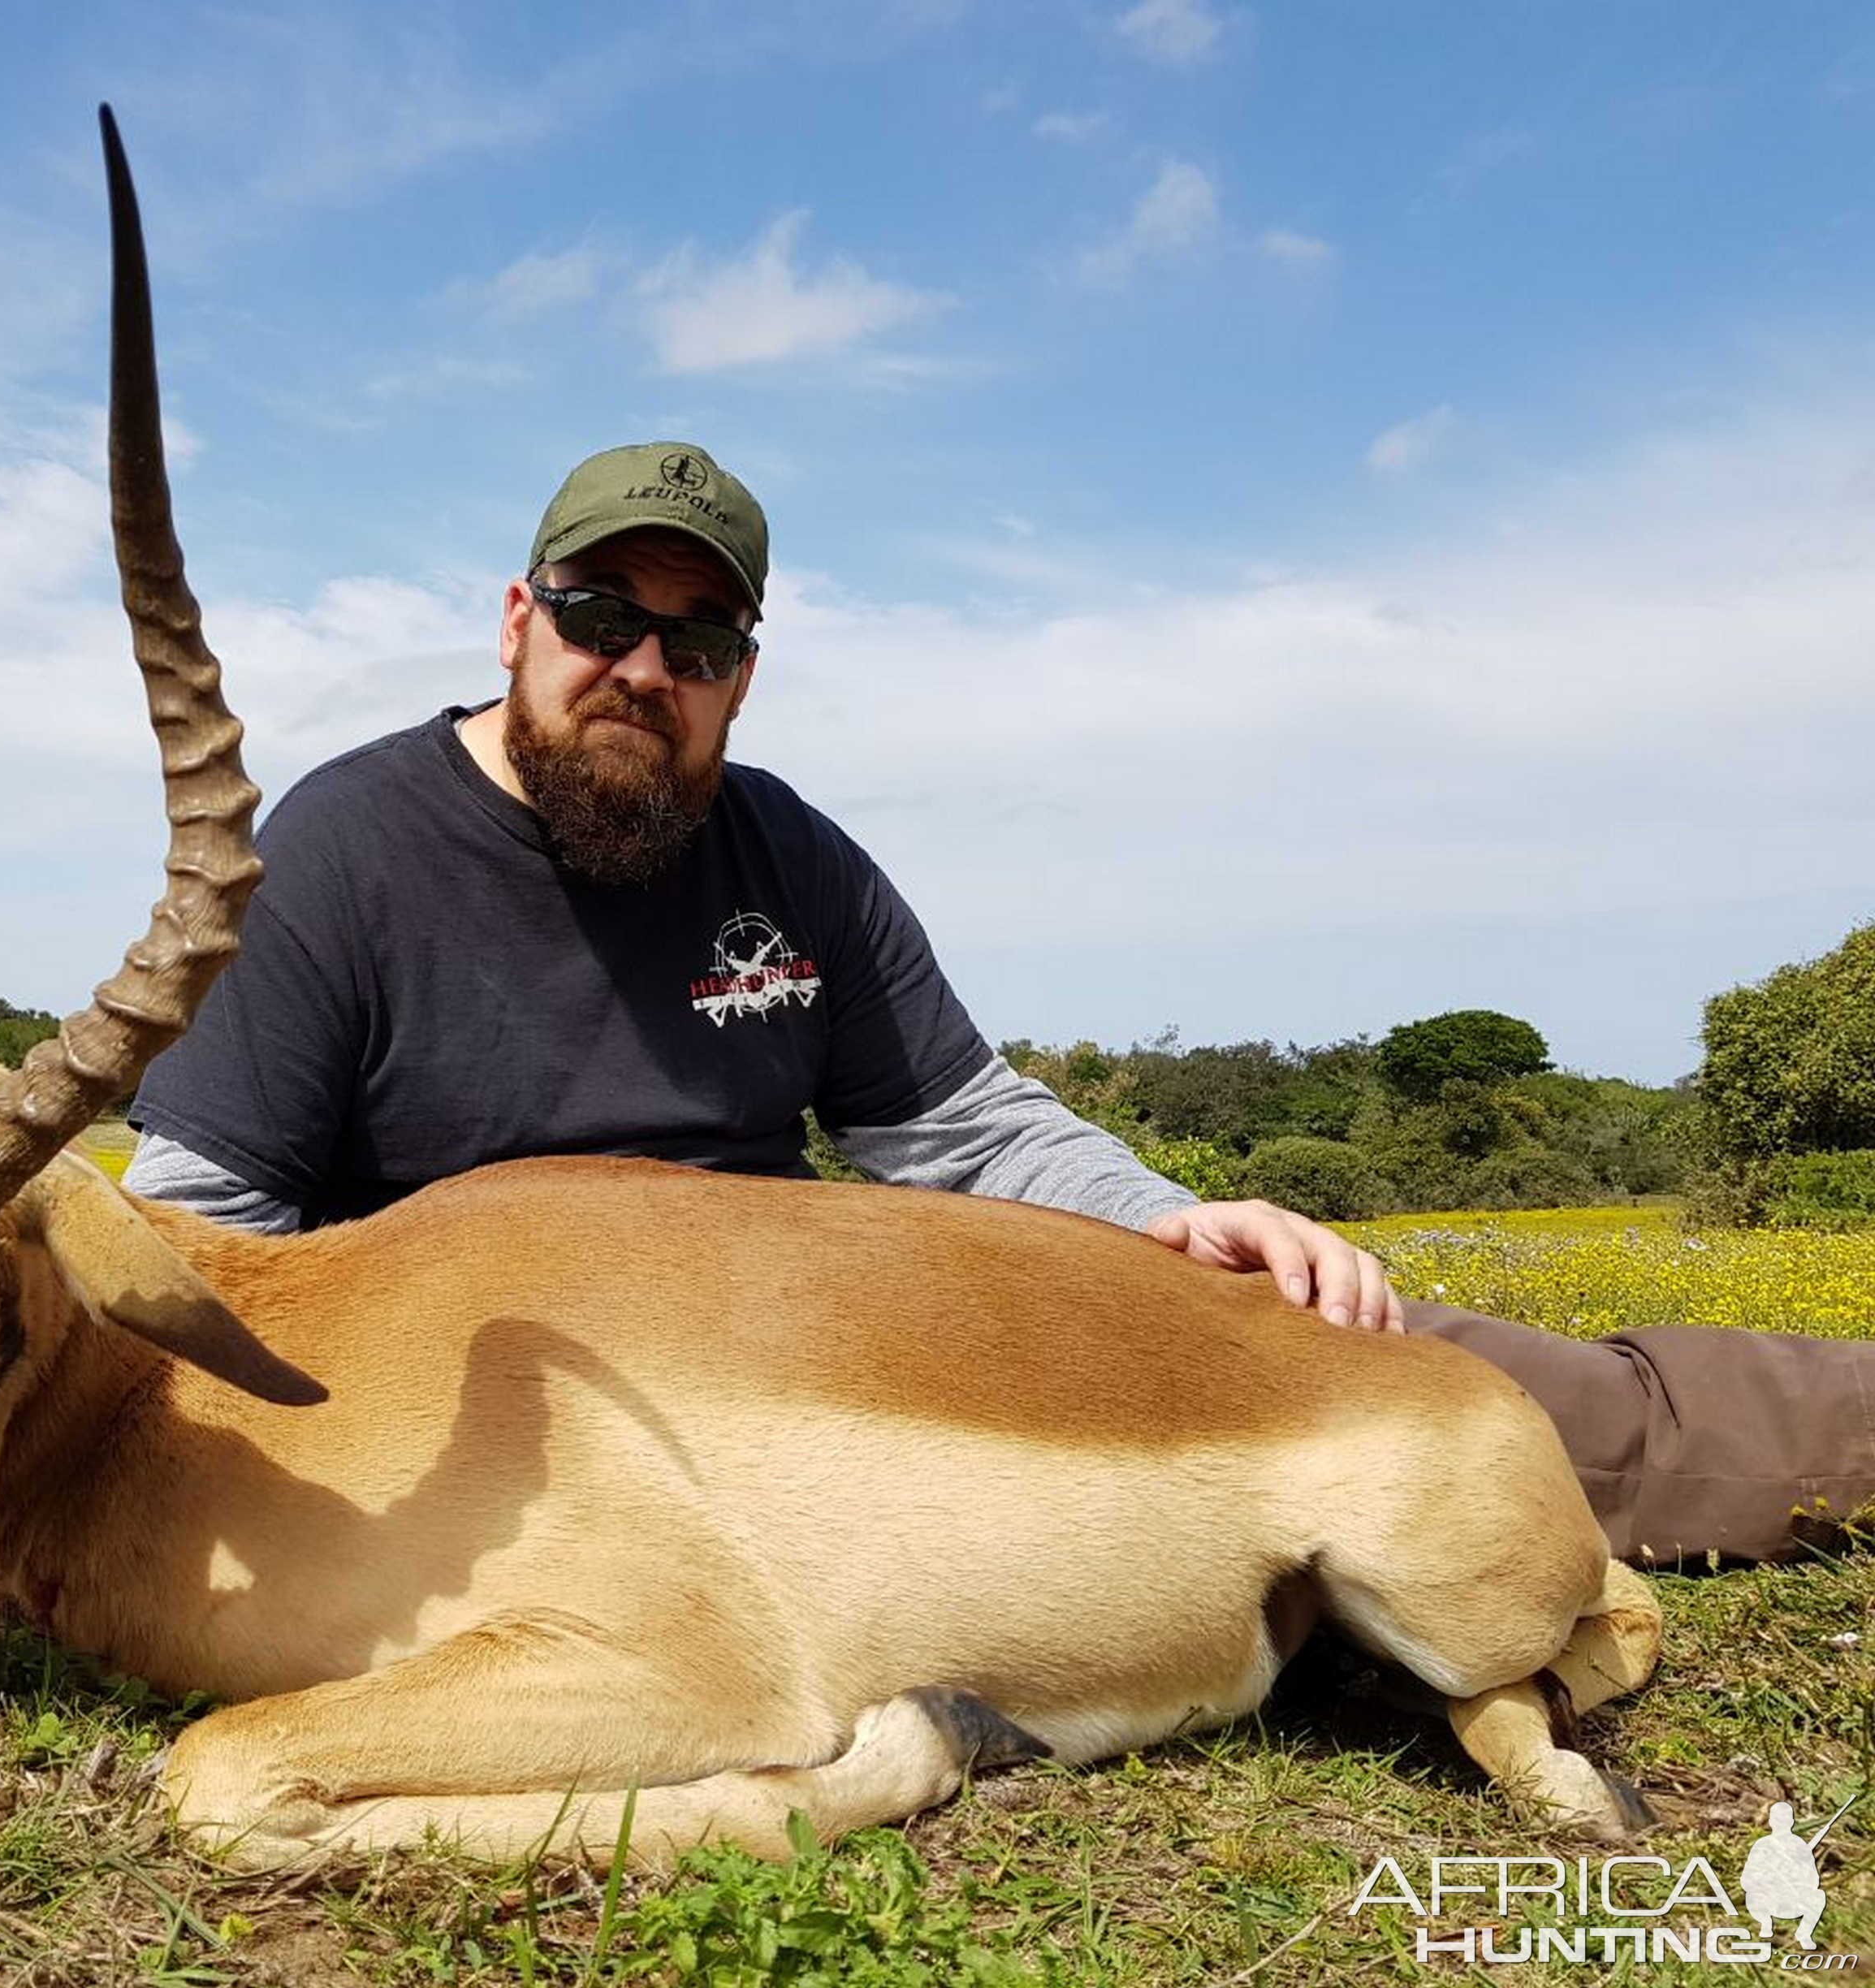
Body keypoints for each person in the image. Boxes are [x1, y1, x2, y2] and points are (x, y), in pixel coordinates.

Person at [129, 439, 1875, 1567]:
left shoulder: (784, 850)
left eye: (702, 641)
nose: (642, 670)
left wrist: (1183, 1218)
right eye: (599, 614)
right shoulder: (341, 855)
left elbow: (959, 1128)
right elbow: (202, 1233)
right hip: (540, 1434)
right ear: (516, 618)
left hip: (818, 1340)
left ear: (747, 672)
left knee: (1358, 1368)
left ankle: (1810, 1427)